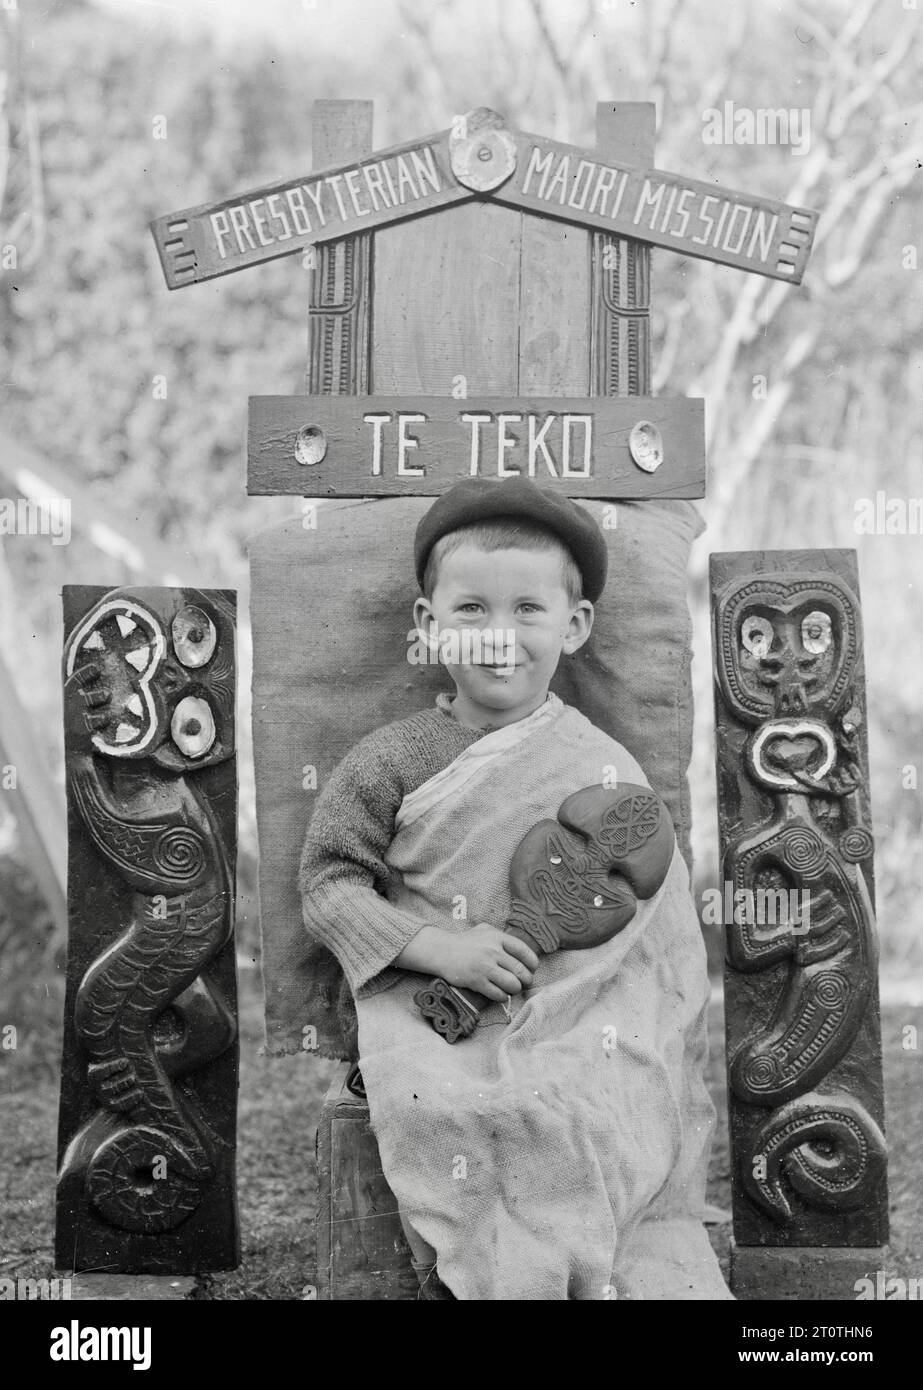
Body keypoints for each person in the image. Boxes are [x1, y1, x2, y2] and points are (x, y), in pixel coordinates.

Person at [299, 475, 731, 1301]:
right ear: (428, 624)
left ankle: (578, 1268)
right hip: (429, 1010)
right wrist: (439, 949)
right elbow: (327, 886)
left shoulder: (603, 768)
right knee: (443, 1108)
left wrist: (587, 1012)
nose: (499, 635)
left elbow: (654, 942)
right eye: (471, 609)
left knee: (574, 1100)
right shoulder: (389, 761)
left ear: (575, 625)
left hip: (583, 1014)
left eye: (527, 609)